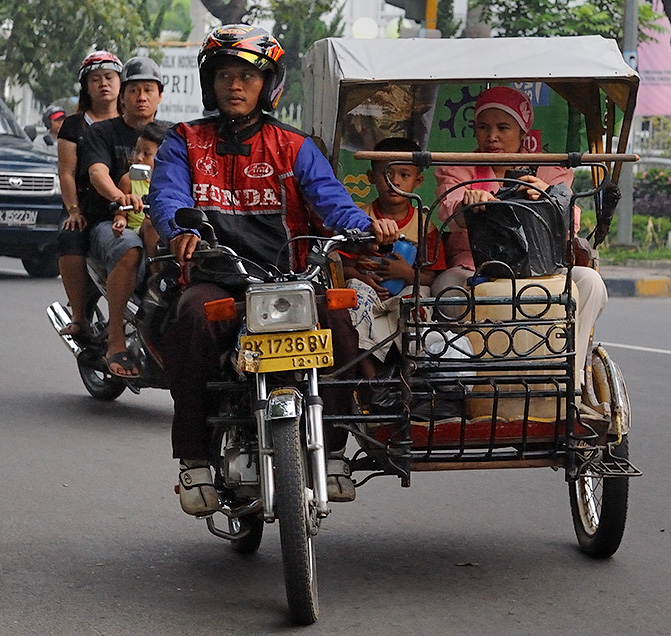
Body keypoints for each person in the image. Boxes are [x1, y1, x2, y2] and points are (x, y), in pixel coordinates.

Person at [148, 24, 399, 515]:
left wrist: (366, 227)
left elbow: (334, 204)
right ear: (209, 82)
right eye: (224, 75)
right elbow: (169, 195)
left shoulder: (294, 146)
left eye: (247, 75)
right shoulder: (184, 141)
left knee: (343, 330)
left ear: (269, 85)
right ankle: (195, 459)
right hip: (217, 281)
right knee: (191, 321)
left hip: (293, 284)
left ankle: (334, 454)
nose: (234, 86)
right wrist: (180, 228)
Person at [433, 86, 608, 383]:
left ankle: (570, 380)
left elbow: (570, 222)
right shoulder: (459, 166)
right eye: (484, 128)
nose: (492, 137)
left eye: (503, 128)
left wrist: (542, 194)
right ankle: (475, 381)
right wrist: (467, 204)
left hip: (541, 272)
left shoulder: (550, 168)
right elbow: (448, 212)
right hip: (475, 271)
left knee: (590, 282)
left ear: (522, 131)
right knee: (447, 288)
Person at [79, 56, 164, 377]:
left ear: (160, 96)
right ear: (122, 95)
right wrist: (119, 198)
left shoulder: (173, 136)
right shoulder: (102, 132)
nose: (141, 97)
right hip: (111, 222)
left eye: (148, 90)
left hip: (158, 220)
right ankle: (116, 340)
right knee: (130, 248)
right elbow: (97, 171)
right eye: (134, 90)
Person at [343, 137, 446, 380]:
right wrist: (361, 278)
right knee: (353, 294)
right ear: (371, 177)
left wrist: (406, 273)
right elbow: (344, 267)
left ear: (418, 180)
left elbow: (432, 276)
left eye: (404, 175)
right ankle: (371, 382)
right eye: (386, 174)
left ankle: (409, 378)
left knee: (418, 300)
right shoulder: (359, 218)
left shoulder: (424, 225)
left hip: (405, 291)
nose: (395, 182)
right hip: (369, 291)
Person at [57, 51, 123, 338]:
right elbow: (67, 172)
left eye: (109, 78)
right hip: (89, 208)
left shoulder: (131, 123)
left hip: (129, 208)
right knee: (69, 237)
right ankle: (79, 316)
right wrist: (73, 209)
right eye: (95, 79)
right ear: (86, 87)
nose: (103, 84)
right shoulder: (74, 125)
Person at [114, 121, 170, 263]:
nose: (139, 157)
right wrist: (120, 221)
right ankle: (155, 271)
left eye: (146, 154)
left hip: (168, 227)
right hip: (141, 229)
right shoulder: (128, 180)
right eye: (137, 151)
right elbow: (120, 214)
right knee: (151, 223)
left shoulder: (172, 181)